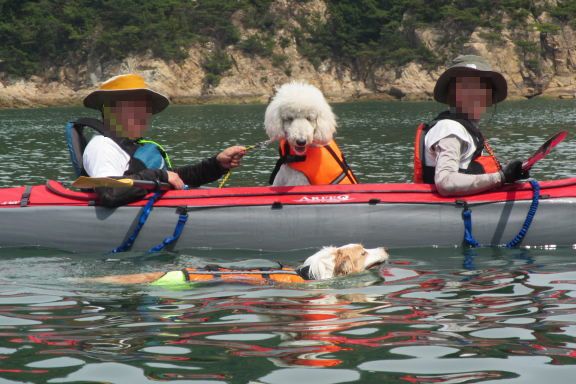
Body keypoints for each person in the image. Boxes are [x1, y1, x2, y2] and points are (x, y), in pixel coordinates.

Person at [80, 73, 246, 206]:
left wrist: (216, 164)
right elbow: (110, 192)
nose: (145, 115)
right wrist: (159, 175)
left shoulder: (130, 146)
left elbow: (177, 178)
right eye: (135, 108)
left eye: (146, 109)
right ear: (112, 111)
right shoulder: (103, 146)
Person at [413, 55, 529, 196]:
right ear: (453, 93)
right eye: (466, 88)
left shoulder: (463, 128)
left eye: (482, 88)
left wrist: (511, 173)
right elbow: (445, 182)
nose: (476, 95)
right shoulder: (450, 129)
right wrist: (501, 177)